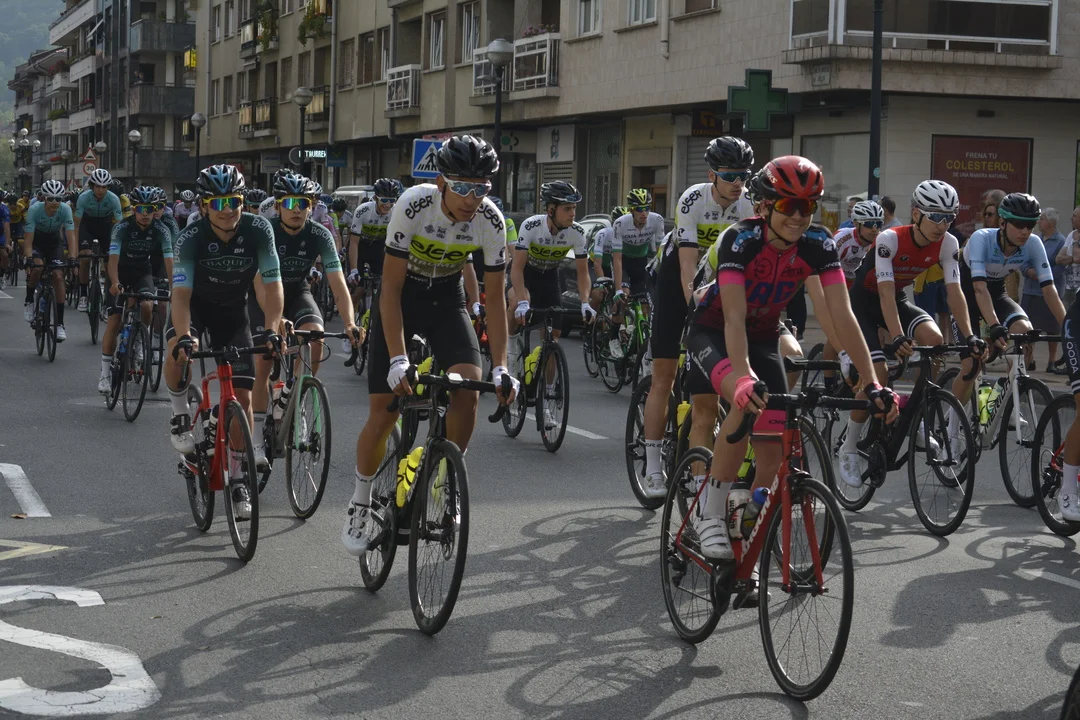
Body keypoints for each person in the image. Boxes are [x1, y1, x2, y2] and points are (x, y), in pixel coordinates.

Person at [687, 156, 895, 560]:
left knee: (772, 452)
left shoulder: (819, 244)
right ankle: (709, 514)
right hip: (712, 331)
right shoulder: (740, 240)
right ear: (765, 206)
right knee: (745, 405)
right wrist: (743, 378)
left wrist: (871, 381)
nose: (799, 216)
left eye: (808, 206)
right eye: (788, 205)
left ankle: (745, 525)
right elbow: (733, 317)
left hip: (764, 334)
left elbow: (843, 314)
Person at [341, 135, 517, 555]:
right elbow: (390, 288)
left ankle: (448, 476)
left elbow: (494, 300)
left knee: (469, 388)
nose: (472, 199)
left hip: (447, 301)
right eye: (463, 187)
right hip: (403, 297)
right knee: (384, 413)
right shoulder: (413, 205)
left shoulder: (490, 220)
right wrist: (398, 358)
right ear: (441, 182)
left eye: (481, 188)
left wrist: (502, 366)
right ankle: (360, 501)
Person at [838, 180, 987, 488]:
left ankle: (913, 416)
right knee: (877, 374)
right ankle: (848, 446)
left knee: (935, 341)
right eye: (936, 216)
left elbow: (955, 292)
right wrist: (896, 335)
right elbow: (884, 291)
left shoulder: (947, 243)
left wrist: (970, 335)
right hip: (864, 305)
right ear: (917, 214)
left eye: (949, 217)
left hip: (896, 302)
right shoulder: (890, 239)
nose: (943, 225)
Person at [164, 165, 283, 524]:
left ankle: (239, 479)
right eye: (218, 203)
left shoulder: (259, 229)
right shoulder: (190, 237)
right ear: (204, 206)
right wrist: (184, 336)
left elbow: (272, 285)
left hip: (233, 312)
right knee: (177, 350)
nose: (228, 209)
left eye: (234, 201)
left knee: (242, 398)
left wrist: (272, 329)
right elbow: (180, 296)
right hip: (195, 307)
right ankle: (179, 414)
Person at [642, 136, 756, 499]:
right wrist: (695, 310)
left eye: (744, 175)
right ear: (712, 176)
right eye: (730, 175)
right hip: (678, 275)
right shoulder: (693, 199)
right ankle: (652, 467)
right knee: (664, 374)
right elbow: (688, 266)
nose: (738, 182)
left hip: (721, 277)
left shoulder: (749, 204)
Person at [249, 172, 359, 467]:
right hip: (264, 294)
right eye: (290, 203)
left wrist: (349, 323)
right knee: (264, 361)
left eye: (304, 203)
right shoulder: (266, 231)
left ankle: (295, 398)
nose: (297, 209)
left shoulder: (320, 234)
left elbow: (338, 284)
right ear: (278, 206)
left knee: (316, 335)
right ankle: (256, 440)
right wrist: (276, 321)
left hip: (297, 289)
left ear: (311, 206)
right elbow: (259, 285)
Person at [507, 181, 593, 427]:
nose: (573, 213)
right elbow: (517, 268)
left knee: (553, 339)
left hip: (550, 278)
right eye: (567, 208)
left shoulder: (577, 232)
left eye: (574, 208)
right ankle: (511, 348)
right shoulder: (531, 226)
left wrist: (585, 302)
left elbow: (583, 273)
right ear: (551, 209)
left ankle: (547, 401)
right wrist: (522, 302)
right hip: (526, 275)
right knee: (518, 300)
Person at [98, 186, 173, 394]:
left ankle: (140, 338)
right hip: (120, 271)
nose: (145, 214)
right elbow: (113, 259)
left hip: (142, 271)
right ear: (133, 209)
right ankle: (105, 374)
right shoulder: (122, 227)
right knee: (114, 321)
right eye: (141, 209)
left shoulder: (161, 229)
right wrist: (115, 282)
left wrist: (175, 287)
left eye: (150, 209)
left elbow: (169, 261)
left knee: (148, 305)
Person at [22, 179, 77, 340]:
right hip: (37, 242)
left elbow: (71, 236)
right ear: (44, 198)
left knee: (58, 276)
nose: (54, 202)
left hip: (54, 243)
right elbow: (28, 240)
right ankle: (29, 300)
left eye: (58, 199)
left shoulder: (65, 209)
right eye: (50, 198)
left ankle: (59, 324)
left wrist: (73, 258)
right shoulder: (35, 210)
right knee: (37, 268)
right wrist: (29, 258)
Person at [74, 169, 123, 310]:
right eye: (97, 186)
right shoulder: (83, 198)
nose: (101, 190)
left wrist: (118, 248)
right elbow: (76, 225)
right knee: (85, 257)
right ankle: (83, 295)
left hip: (105, 227)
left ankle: (109, 300)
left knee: (109, 264)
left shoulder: (114, 199)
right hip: (87, 226)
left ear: (108, 187)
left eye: (104, 187)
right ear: (92, 186)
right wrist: (76, 249)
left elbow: (120, 226)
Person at [1025, 207, 1067, 371]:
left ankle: (1051, 362)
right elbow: (1023, 259)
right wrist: (1028, 271)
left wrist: (1043, 276)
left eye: (1041, 219)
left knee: (1052, 329)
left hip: (1050, 291)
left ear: (1050, 223)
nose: (1039, 222)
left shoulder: (1061, 241)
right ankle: (1029, 360)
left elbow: (1060, 268)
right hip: (1030, 290)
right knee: (1029, 328)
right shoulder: (1034, 239)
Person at [1056, 207, 1080, 311]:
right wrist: (1073, 259)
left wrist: (1076, 241)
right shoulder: (1071, 235)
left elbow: (1077, 258)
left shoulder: (1075, 238)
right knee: (1066, 317)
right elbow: (1058, 259)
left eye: (1074, 216)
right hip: (1069, 289)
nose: (1071, 218)